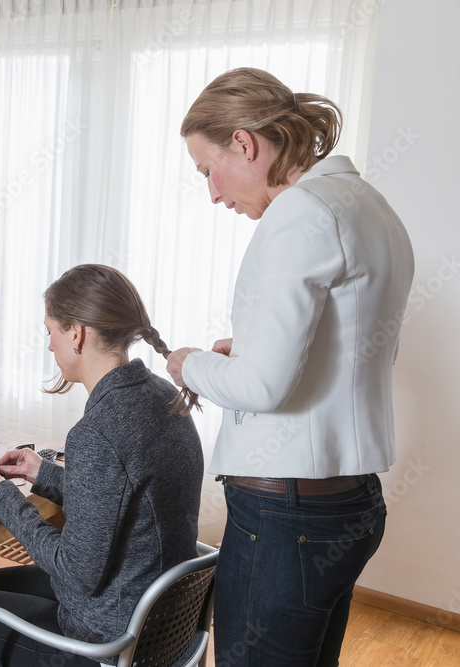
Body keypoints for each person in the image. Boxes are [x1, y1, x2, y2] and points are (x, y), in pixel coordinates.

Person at [166, 67, 415, 666]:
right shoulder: (368, 204)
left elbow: (261, 388)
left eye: (207, 170)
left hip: (287, 516)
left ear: (243, 144)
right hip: (348, 504)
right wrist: (250, 347)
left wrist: (189, 364)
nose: (213, 194)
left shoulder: (298, 213)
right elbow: (357, 345)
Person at [0, 264, 204, 666]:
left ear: (77, 333)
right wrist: (44, 474)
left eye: (50, 332)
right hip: (159, 618)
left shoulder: (98, 431)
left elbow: (76, 573)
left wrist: (4, 500)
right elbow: (121, 499)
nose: (50, 346)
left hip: (105, 639)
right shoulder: (164, 396)